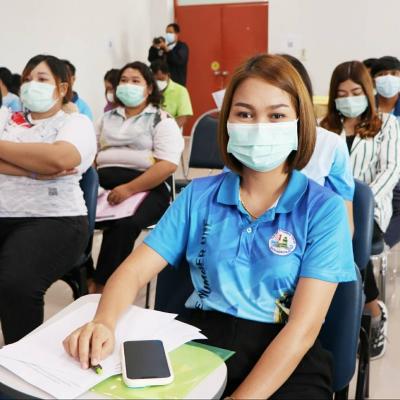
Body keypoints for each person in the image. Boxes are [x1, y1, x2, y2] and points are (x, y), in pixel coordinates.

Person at [64, 54, 356, 399]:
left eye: (276, 115)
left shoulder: (323, 209)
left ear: (299, 123)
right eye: (244, 114)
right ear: (227, 121)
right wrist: (103, 321)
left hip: (286, 357)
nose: (259, 127)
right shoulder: (198, 196)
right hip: (200, 345)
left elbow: (303, 328)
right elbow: (133, 271)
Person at [0, 54, 96, 344]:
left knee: (16, 282)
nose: (32, 85)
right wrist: (33, 169)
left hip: (55, 219)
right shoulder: (5, 118)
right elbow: (47, 162)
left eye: (42, 79)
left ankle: (21, 361)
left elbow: (60, 158)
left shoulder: (75, 123)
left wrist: (40, 160)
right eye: (27, 79)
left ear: (62, 88)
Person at [321, 60, 400, 359]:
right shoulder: (325, 127)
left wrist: (361, 203)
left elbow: (391, 170)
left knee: (350, 237)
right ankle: (353, 307)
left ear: (367, 92)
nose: (349, 99)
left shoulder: (386, 124)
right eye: (342, 94)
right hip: (329, 210)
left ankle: (369, 308)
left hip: (371, 211)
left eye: (355, 92)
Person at [92, 61, 184, 293]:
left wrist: (129, 189)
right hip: (102, 184)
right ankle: (84, 275)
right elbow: (90, 154)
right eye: (123, 80)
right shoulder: (106, 118)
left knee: (124, 224)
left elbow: (167, 165)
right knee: (75, 217)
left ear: (149, 88)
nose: (128, 85)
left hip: (146, 186)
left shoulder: (161, 119)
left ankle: (105, 287)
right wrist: (92, 181)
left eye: (135, 81)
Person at [281, 55, 354, 232]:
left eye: (276, 113)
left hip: (309, 236)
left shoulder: (330, 145)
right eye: (247, 114)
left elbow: (345, 225)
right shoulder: (246, 144)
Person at [370, 56, 400, 249]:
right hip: (374, 168)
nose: (388, 78)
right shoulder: (366, 107)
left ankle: (382, 245)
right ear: (373, 80)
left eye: (394, 73)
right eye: (382, 74)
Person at [150, 60, 193, 129]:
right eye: (156, 80)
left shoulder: (180, 90)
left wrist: (168, 129)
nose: (159, 82)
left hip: (171, 130)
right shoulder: (148, 89)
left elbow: (183, 117)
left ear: (168, 75)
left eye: (162, 79)